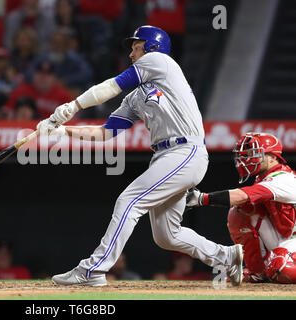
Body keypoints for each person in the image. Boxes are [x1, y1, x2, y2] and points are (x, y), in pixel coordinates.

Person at [37, 25, 243, 287]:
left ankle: (93, 269)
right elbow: (105, 133)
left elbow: (112, 85)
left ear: (153, 47)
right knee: (167, 235)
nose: (132, 54)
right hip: (167, 156)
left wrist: (73, 105)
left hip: (184, 150)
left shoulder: (161, 62)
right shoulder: (135, 98)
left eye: (136, 47)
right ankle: (225, 256)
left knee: (129, 201)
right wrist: (62, 131)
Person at [186, 133, 296, 284]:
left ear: (272, 157)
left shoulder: (283, 179)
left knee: (280, 268)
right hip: (287, 238)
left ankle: (272, 267)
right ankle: (258, 272)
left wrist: (200, 199)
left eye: (253, 153)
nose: (247, 158)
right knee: (242, 210)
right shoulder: (263, 179)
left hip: (292, 239)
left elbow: (241, 195)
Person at [5, 60, 74, 119]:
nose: (43, 77)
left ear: (54, 78)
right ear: (33, 75)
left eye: (48, 74)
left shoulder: (64, 96)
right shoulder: (20, 92)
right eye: (40, 73)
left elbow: (73, 121)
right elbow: (7, 116)